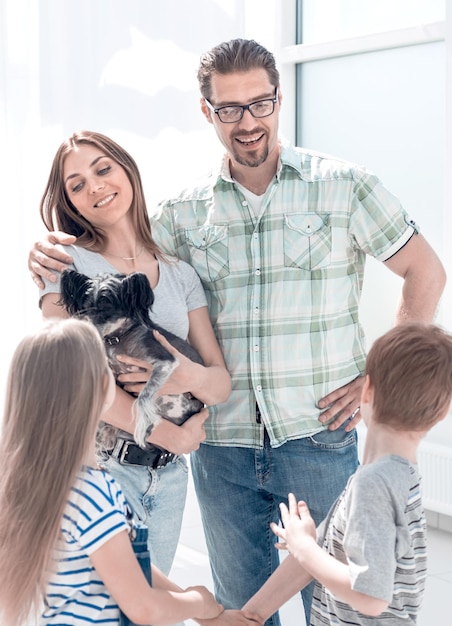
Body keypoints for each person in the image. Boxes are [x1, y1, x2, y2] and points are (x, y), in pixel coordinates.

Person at [28, 39, 446, 626]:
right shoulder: (180, 215)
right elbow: (119, 282)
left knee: (342, 604)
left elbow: (425, 271)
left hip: (317, 435)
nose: (247, 121)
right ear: (207, 112)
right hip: (220, 452)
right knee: (243, 613)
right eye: (229, 109)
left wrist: (377, 378)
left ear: (280, 99)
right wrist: (49, 257)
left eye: (261, 103)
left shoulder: (344, 185)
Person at [35, 130, 231, 578]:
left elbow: (219, 383)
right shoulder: (68, 267)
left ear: (127, 170)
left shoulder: (179, 273)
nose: (96, 187)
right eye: (77, 185)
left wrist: (189, 379)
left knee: (143, 611)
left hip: (169, 477)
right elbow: (71, 378)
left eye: (103, 169)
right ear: (71, 203)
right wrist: (165, 433)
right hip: (99, 468)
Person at [0, 318, 228, 626]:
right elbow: (143, 608)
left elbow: (121, 557)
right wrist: (199, 602)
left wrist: (196, 606)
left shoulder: (27, 484)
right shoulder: (92, 492)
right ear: (103, 386)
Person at [241, 322, 452, 625]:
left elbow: (371, 597)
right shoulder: (398, 476)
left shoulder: (373, 484)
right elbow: (323, 554)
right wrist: (253, 613)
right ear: (442, 413)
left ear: (366, 391)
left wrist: (303, 549)